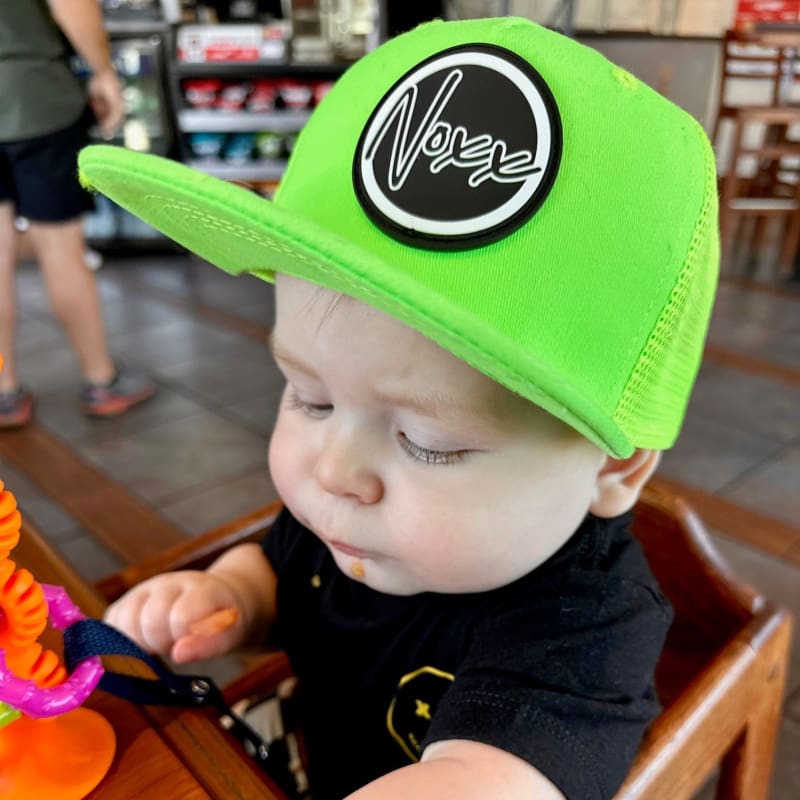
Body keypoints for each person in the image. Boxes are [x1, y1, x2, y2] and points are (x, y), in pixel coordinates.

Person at [86, 16, 719, 800]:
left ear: (614, 461)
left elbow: (491, 780)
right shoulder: (348, 522)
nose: (335, 470)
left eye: (428, 441)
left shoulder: (584, 626)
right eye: (308, 397)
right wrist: (231, 596)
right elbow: (283, 574)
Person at [0, 0, 155, 429]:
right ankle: (101, 380)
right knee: (61, 249)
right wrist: (103, 71)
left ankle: (3, 391)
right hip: (33, 99)